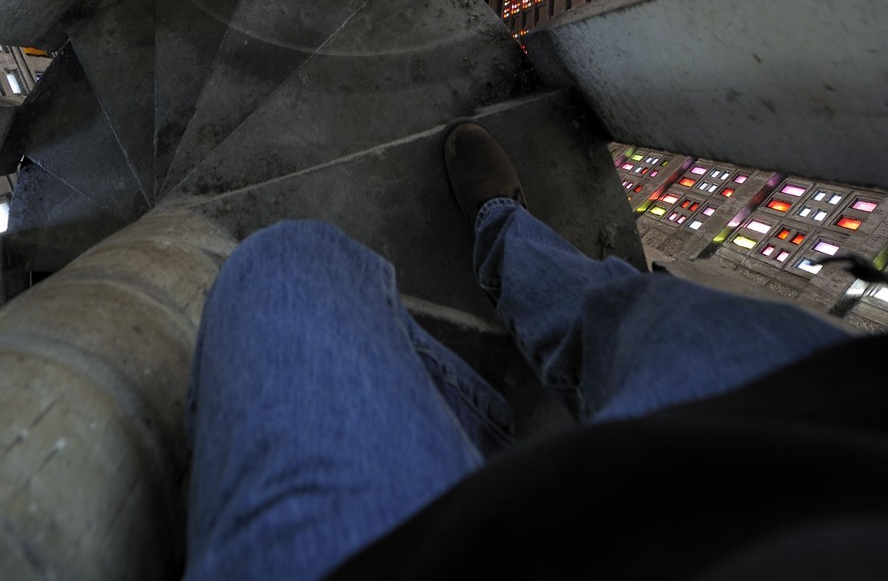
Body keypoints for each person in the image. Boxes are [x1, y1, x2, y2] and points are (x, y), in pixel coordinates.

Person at [183, 122, 888, 581]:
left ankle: (472, 419)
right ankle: (501, 222)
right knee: (610, 307)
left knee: (288, 263)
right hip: (829, 429)